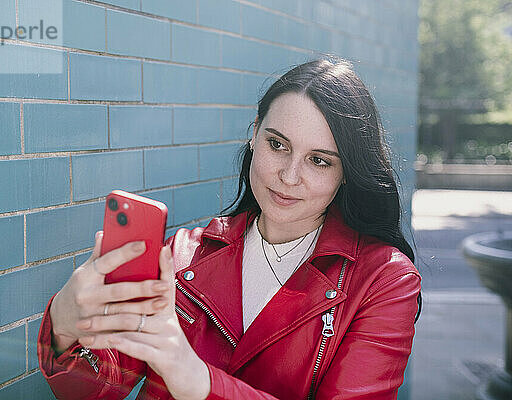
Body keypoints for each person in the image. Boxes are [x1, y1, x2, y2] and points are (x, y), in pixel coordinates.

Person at [38, 59, 422, 399]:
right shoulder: (183, 254)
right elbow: (93, 389)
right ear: (254, 134)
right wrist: (66, 325)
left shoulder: (383, 280)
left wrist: (197, 380)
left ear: (345, 173)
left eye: (319, 161)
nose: (289, 176)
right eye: (277, 145)